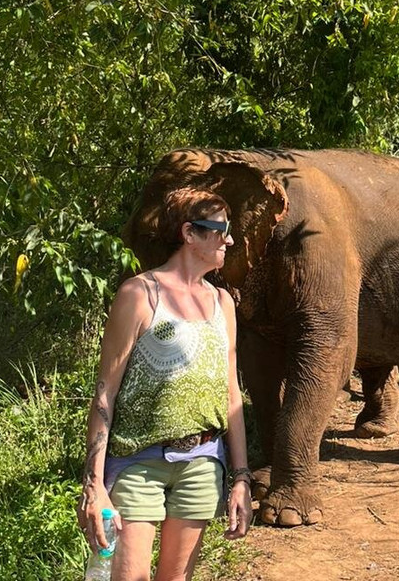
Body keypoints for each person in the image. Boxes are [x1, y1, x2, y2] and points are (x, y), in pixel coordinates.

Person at [77, 187, 253, 581]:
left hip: (202, 463)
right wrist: (94, 484)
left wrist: (241, 478)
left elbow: (231, 395)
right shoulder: (139, 295)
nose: (230, 239)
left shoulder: (223, 303)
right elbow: (105, 394)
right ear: (190, 233)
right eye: (220, 230)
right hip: (138, 463)